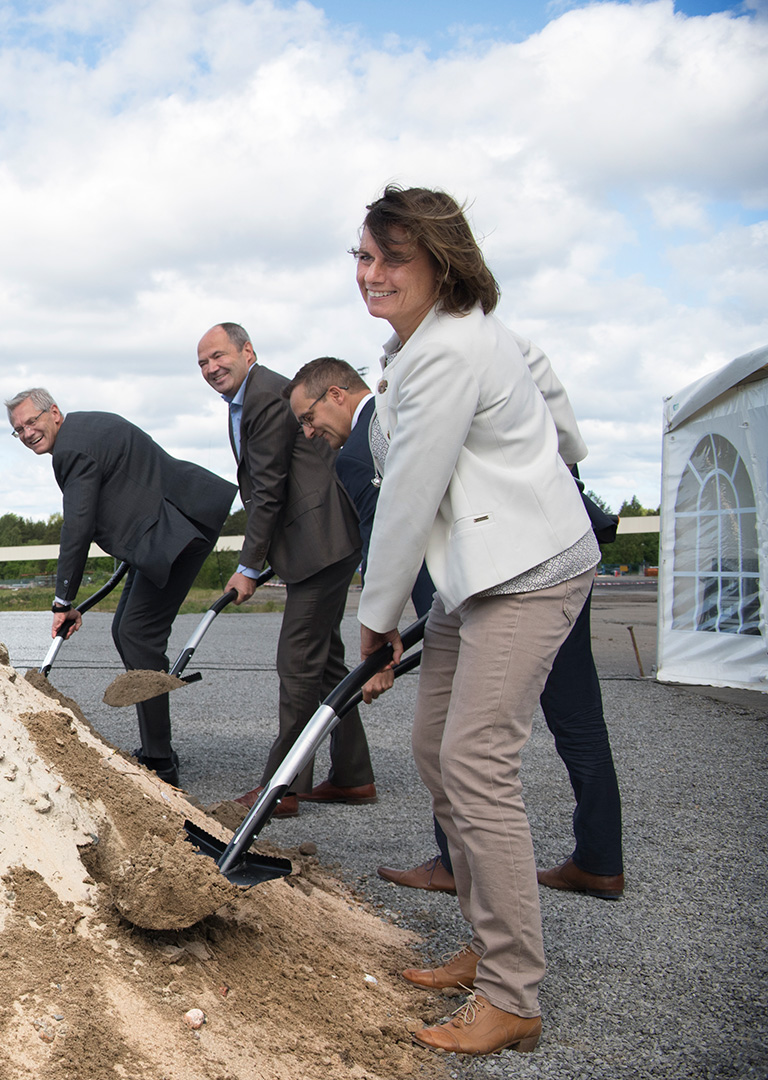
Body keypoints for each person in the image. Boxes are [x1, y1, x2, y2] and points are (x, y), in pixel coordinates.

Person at [351, 185, 597, 1055]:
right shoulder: (435, 340)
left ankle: (513, 995)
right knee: (433, 748)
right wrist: (555, 449)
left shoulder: (450, 350)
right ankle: (490, 942)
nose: (371, 274)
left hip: (526, 571)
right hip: (474, 578)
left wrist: (372, 622)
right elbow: (549, 390)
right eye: (364, 256)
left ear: (440, 265)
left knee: (477, 762)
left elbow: (410, 495)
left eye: (392, 259)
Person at [290, 358, 625, 901]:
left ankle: (453, 863)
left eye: (308, 417)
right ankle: (600, 860)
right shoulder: (475, 357)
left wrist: (385, 631)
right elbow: (550, 403)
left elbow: (392, 536)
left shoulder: (363, 447)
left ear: (335, 394)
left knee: (455, 737)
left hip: (487, 575)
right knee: (578, 715)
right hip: (562, 549)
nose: (310, 433)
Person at [7, 388, 235, 786]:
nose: (27, 432)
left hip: (177, 531)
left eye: (31, 421)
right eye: (18, 430)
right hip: (168, 527)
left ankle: (161, 762)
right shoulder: (89, 427)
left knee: (137, 634)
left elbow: (77, 526)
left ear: (54, 413)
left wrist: (63, 600)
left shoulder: (72, 450)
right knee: (126, 631)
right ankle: (156, 751)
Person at [197, 323, 365, 819]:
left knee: (297, 666)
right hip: (321, 542)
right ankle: (355, 775)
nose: (211, 369)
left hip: (320, 543)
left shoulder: (267, 394)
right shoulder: (253, 397)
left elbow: (268, 487)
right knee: (326, 665)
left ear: (248, 351)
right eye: (202, 363)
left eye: (219, 356)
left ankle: (281, 788)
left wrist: (249, 567)